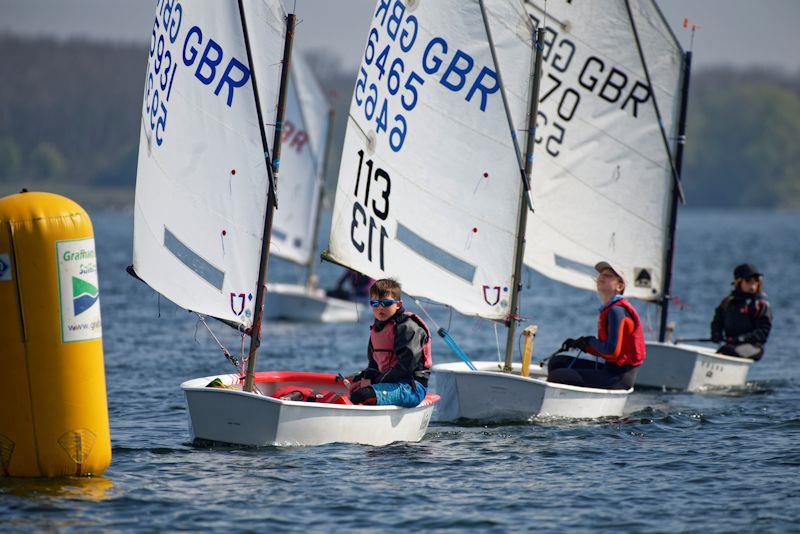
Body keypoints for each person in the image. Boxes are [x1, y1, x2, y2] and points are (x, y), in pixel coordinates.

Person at [547, 261, 646, 390]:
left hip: (619, 377)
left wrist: (589, 342)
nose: (602, 277)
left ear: (620, 286)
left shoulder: (617, 311)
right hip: (609, 369)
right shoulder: (610, 309)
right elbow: (607, 351)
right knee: (557, 362)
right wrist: (580, 344)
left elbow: (611, 351)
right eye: (601, 275)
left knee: (558, 375)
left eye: (608, 276)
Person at [345, 278, 432, 407]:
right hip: (389, 382)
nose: (380, 307)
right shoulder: (377, 329)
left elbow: (405, 367)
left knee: (362, 396)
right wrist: (363, 378)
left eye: (386, 303)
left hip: (411, 387)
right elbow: (373, 364)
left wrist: (373, 381)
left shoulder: (409, 328)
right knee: (355, 388)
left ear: (398, 304)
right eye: (374, 303)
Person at [710, 263, 771, 360]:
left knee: (726, 350)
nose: (752, 285)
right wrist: (716, 334)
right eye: (748, 281)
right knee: (726, 350)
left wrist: (742, 338)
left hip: (753, 347)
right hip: (732, 345)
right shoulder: (727, 302)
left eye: (756, 281)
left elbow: (763, 333)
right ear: (738, 282)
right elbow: (717, 321)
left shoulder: (760, 305)